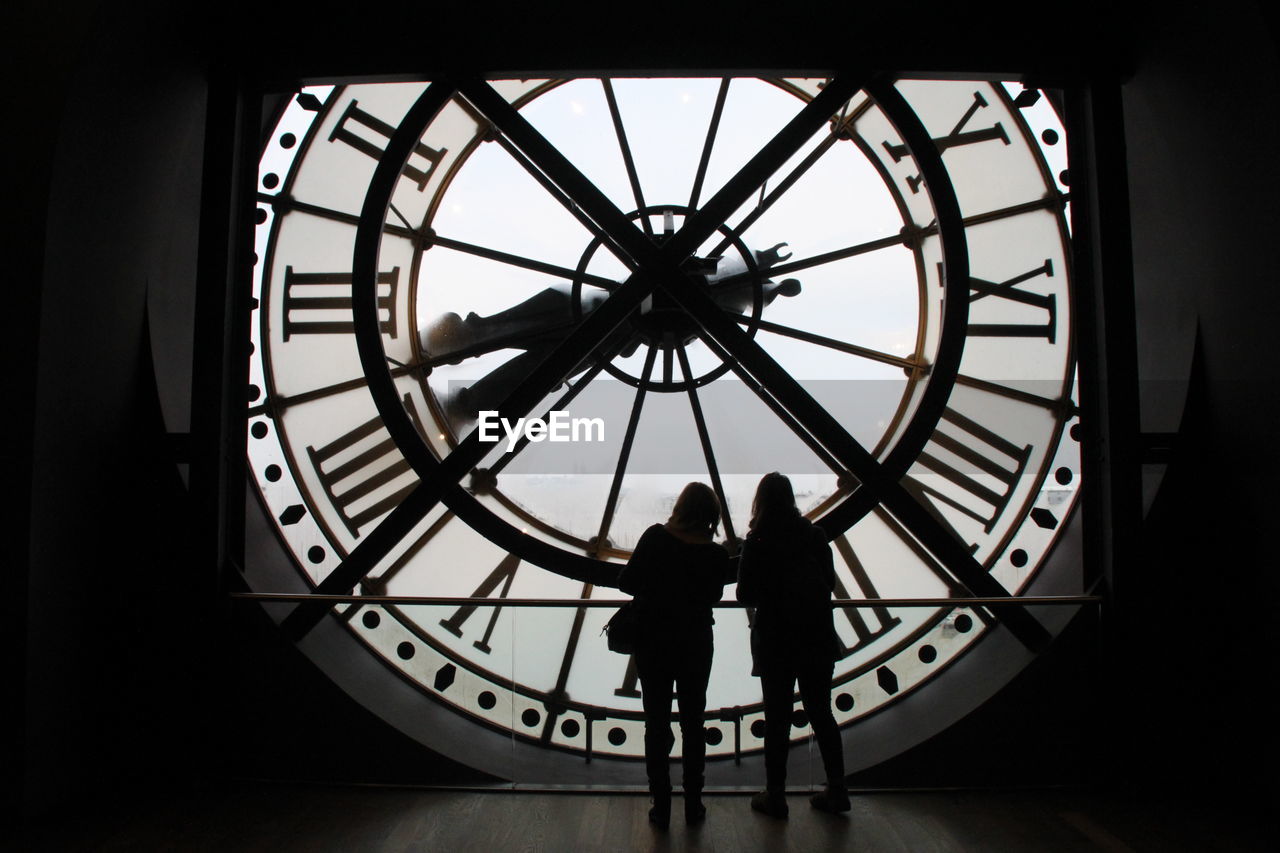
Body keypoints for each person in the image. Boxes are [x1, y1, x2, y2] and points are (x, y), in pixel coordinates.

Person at [617, 482, 732, 829]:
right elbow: (712, 596)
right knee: (693, 722)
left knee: (657, 722)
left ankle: (661, 803)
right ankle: (693, 802)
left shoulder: (655, 538)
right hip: (695, 640)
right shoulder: (715, 556)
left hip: (654, 639)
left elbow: (628, 582)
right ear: (712, 516)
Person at [736, 472, 850, 817]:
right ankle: (837, 787)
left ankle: (776, 795)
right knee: (822, 713)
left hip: (776, 641)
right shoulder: (814, 536)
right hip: (816, 637)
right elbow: (828, 583)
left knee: (777, 719)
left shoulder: (757, 542)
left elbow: (745, 594)